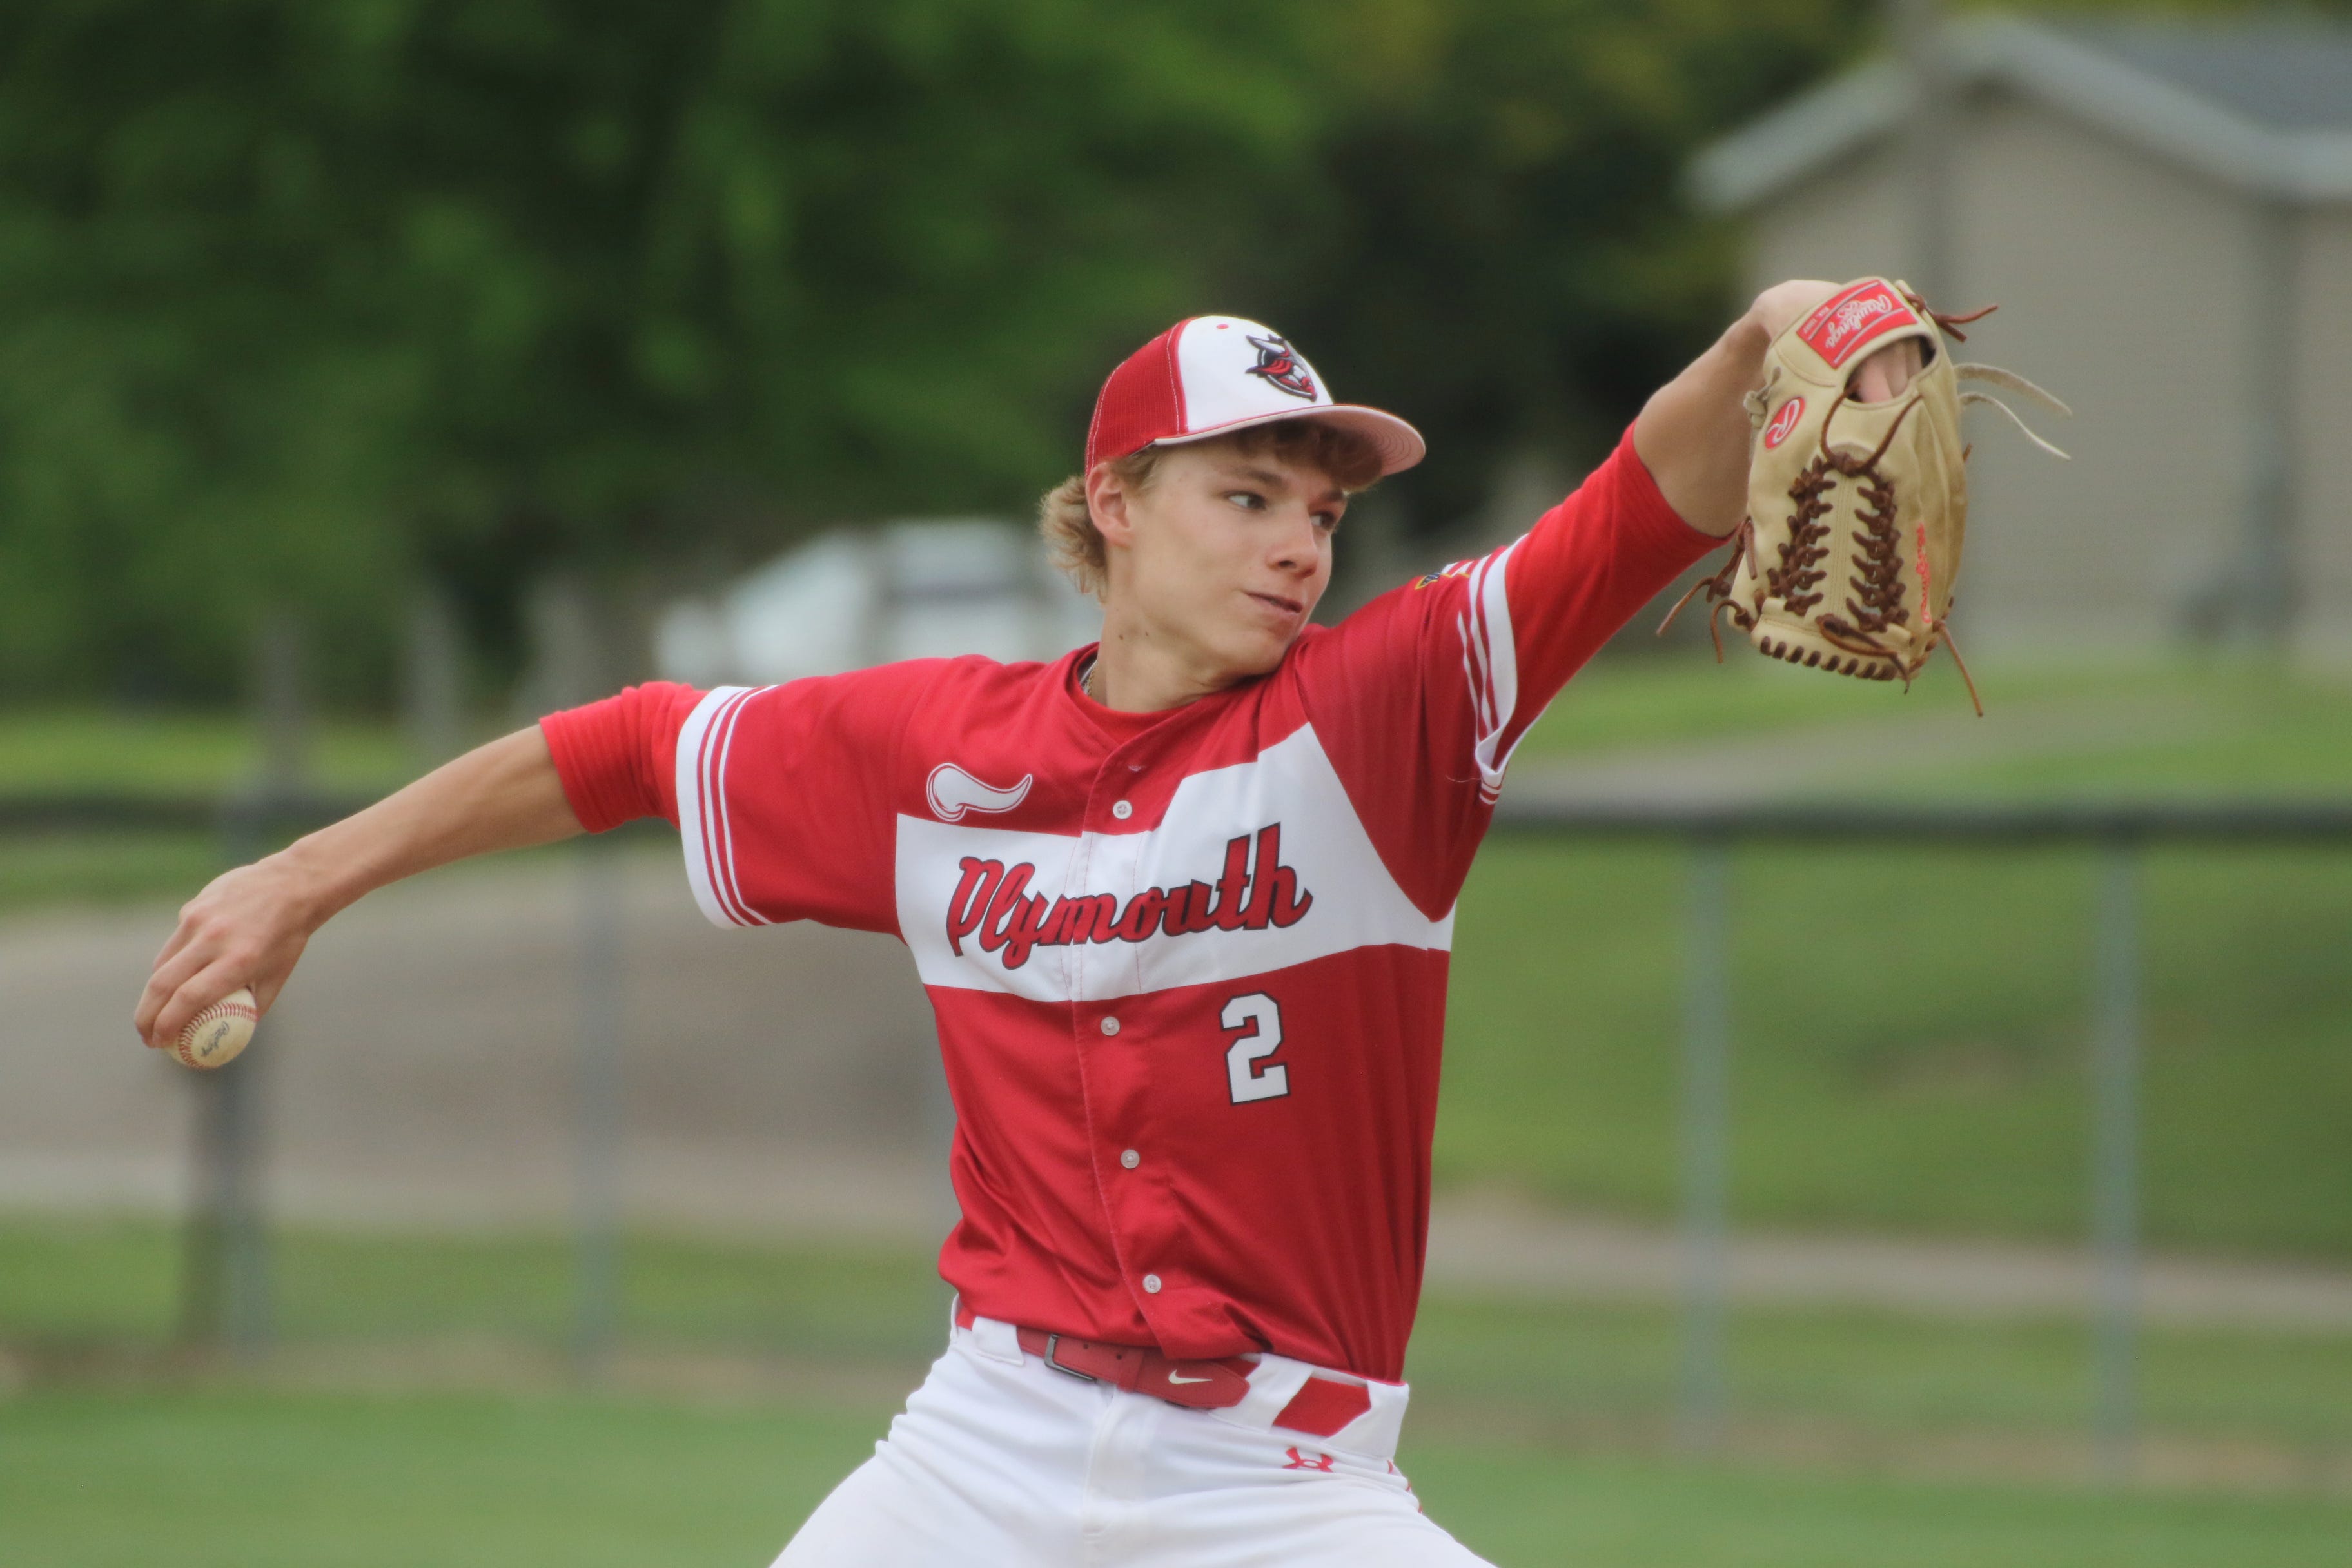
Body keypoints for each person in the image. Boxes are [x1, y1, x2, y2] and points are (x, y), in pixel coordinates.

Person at [137, 282, 1912, 1565]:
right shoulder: (932, 754)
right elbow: (617, 753)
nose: (1300, 544)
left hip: (1282, 1489)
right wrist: (304, 880)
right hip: (985, 1445)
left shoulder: (1383, 721)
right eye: (1247, 495)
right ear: (1115, 510)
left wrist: (1764, 342)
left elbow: (1633, 514)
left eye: (1322, 506)